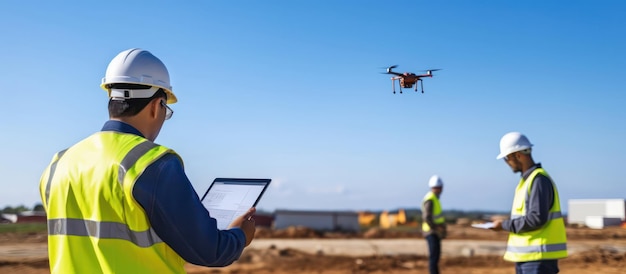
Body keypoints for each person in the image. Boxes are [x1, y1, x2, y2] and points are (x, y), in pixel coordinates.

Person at [38, 48, 256, 274]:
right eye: (166, 110)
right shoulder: (153, 165)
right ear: (156, 106)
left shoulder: (58, 164)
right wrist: (240, 234)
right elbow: (211, 251)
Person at [491, 132, 567, 274]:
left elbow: (536, 219)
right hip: (529, 258)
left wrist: (503, 225)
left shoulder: (538, 180)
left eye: (507, 158)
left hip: (538, 259)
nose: (507, 163)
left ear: (518, 155)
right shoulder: (527, 181)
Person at [422, 175, 447, 274]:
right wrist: (437, 228)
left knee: (435, 258)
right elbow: (427, 217)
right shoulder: (431, 199)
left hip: (434, 232)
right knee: (433, 258)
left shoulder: (435, 198)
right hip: (431, 232)